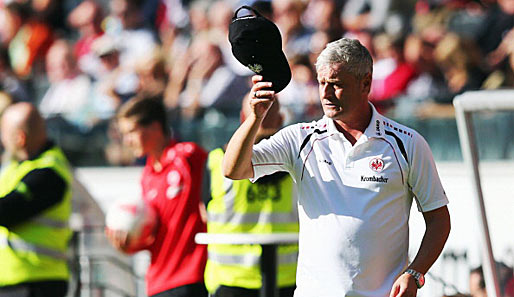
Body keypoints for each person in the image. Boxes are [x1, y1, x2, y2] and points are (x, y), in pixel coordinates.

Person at [223, 37, 451, 297]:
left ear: (365, 83)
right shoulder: (300, 137)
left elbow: (438, 219)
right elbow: (233, 169)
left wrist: (415, 273)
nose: (325, 93)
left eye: (336, 84)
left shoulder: (407, 143)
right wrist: (255, 118)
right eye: (322, 83)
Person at [105, 96, 208, 297]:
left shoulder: (187, 157)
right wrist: (131, 242)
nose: (127, 141)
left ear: (154, 126)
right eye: (124, 134)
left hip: (190, 279)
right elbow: (158, 231)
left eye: (131, 132)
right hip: (156, 282)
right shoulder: (147, 175)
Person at [204, 96, 299, 297]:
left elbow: (203, 213)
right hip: (287, 281)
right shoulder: (299, 164)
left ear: (242, 118)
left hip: (230, 280)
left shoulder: (216, 162)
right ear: (281, 119)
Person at [0, 102, 73, 297]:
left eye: (3, 135)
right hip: (13, 282)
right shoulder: (13, 168)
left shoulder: (50, 171)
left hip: (39, 283)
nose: (2, 142)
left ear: (20, 138)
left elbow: (7, 211)